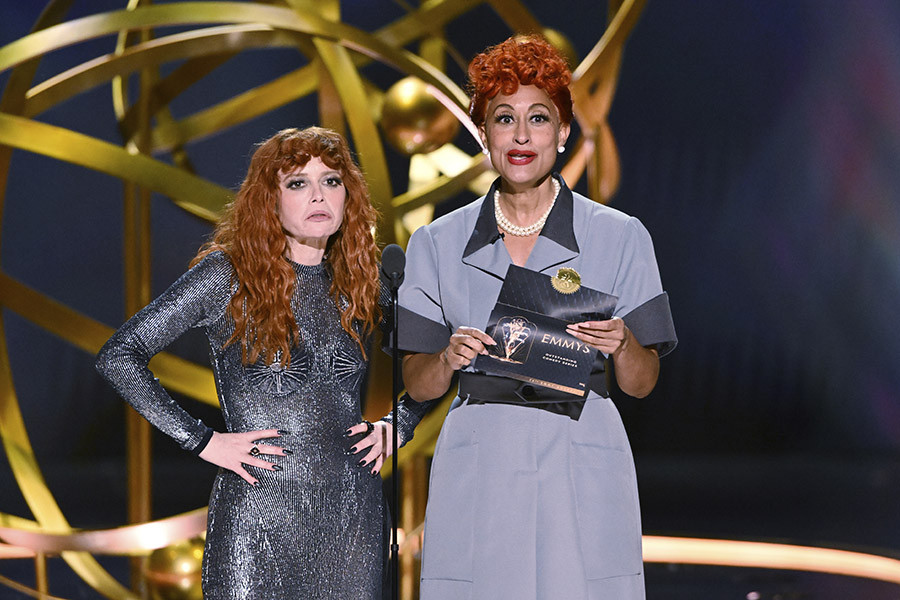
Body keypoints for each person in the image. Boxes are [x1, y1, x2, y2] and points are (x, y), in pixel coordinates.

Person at [397, 36, 677, 599]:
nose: (521, 136)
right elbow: (416, 382)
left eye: (539, 118)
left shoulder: (620, 236)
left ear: (564, 132)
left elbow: (643, 384)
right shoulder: (435, 243)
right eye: (504, 118)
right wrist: (448, 357)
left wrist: (624, 345)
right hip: (480, 461)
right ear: (484, 135)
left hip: (582, 457)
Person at [96, 127, 424, 599]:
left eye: (331, 181)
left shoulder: (364, 279)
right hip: (256, 519)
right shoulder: (226, 275)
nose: (318, 195)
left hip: (354, 520)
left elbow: (436, 360)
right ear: (268, 199)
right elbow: (120, 356)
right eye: (297, 183)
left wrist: (401, 423)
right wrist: (204, 441)